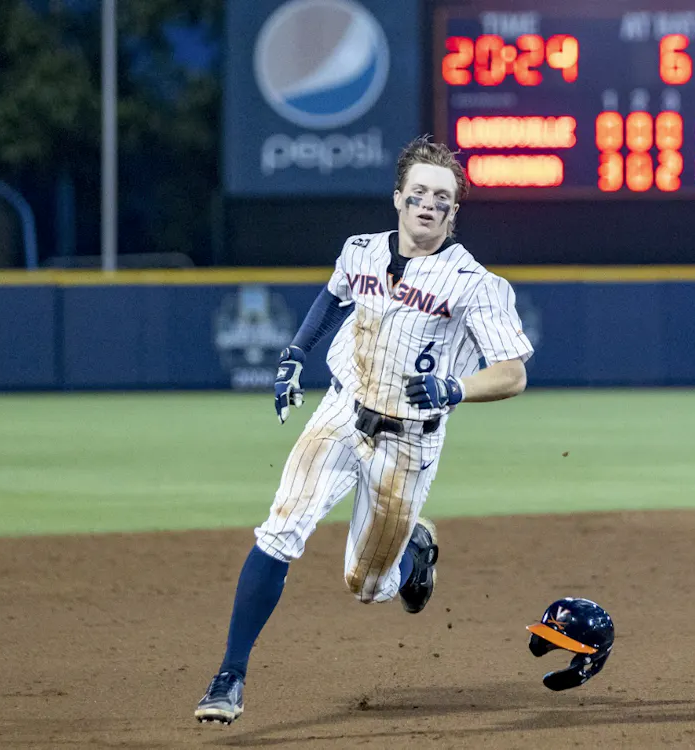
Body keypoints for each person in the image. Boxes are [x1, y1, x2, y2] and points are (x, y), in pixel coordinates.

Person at [195, 135, 534, 724]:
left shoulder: (475, 283)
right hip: (340, 411)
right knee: (281, 529)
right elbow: (332, 299)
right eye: (419, 193)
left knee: (368, 584)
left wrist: (456, 388)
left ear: (453, 215)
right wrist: (296, 353)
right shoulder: (360, 251)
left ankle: (413, 557)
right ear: (398, 198)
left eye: (442, 199)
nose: (428, 204)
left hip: (409, 440)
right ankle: (229, 676)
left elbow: (512, 373)